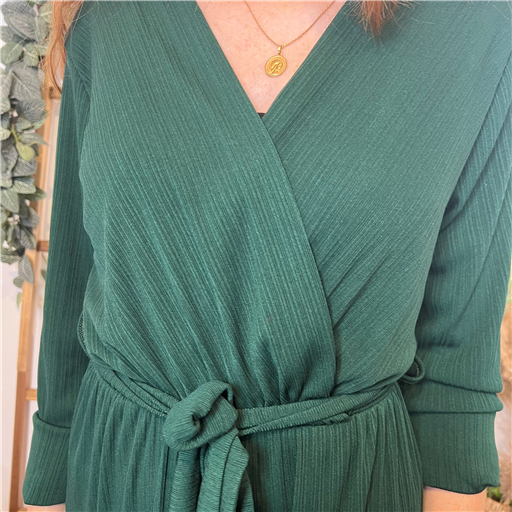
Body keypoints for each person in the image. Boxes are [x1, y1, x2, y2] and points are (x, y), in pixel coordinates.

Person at [21, 0, 511, 510]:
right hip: (123, 471)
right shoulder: (107, 15)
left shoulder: (477, 27)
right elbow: (74, 283)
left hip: (342, 484)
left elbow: (455, 357)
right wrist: (48, 495)